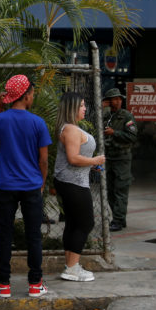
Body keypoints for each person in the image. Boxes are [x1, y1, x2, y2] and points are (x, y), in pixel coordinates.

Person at [0, 75, 51, 300]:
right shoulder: (38, 123)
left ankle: (3, 283)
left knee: (5, 235)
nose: (33, 98)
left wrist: (0, 106)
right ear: (25, 96)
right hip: (32, 185)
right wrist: (42, 182)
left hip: (6, 185)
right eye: (32, 95)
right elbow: (43, 159)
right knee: (33, 235)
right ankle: (35, 283)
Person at [53, 92, 106, 283]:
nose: (85, 108)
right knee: (85, 223)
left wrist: (91, 164)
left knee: (74, 223)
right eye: (82, 105)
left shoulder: (69, 128)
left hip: (72, 181)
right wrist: (95, 160)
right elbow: (73, 158)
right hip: (73, 183)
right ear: (73, 108)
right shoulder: (71, 130)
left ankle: (71, 266)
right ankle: (72, 268)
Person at [102, 87, 137, 232]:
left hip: (122, 158)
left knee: (121, 190)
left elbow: (132, 136)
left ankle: (117, 219)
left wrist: (114, 133)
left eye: (119, 99)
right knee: (110, 190)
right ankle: (119, 218)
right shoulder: (106, 116)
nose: (117, 101)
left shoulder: (127, 116)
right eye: (114, 99)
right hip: (109, 157)